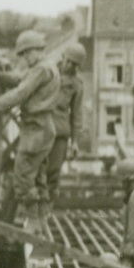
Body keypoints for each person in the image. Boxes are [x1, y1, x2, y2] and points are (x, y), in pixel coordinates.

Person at [0, 29, 60, 222]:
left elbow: (20, 92)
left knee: (22, 178)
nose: (24, 58)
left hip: (36, 129)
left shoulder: (41, 69)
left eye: (25, 53)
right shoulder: (46, 67)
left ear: (35, 50)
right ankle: (40, 222)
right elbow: (20, 79)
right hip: (43, 128)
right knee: (38, 178)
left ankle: (33, 223)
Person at [46, 42, 87, 199]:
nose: (70, 66)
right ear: (62, 57)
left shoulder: (76, 85)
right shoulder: (47, 73)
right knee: (36, 174)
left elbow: (77, 115)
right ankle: (32, 214)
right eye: (68, 61)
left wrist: (75, 142)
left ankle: (44, 213)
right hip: (41, 129)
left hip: (59, 133)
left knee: (53, 175)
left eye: (75, 64)